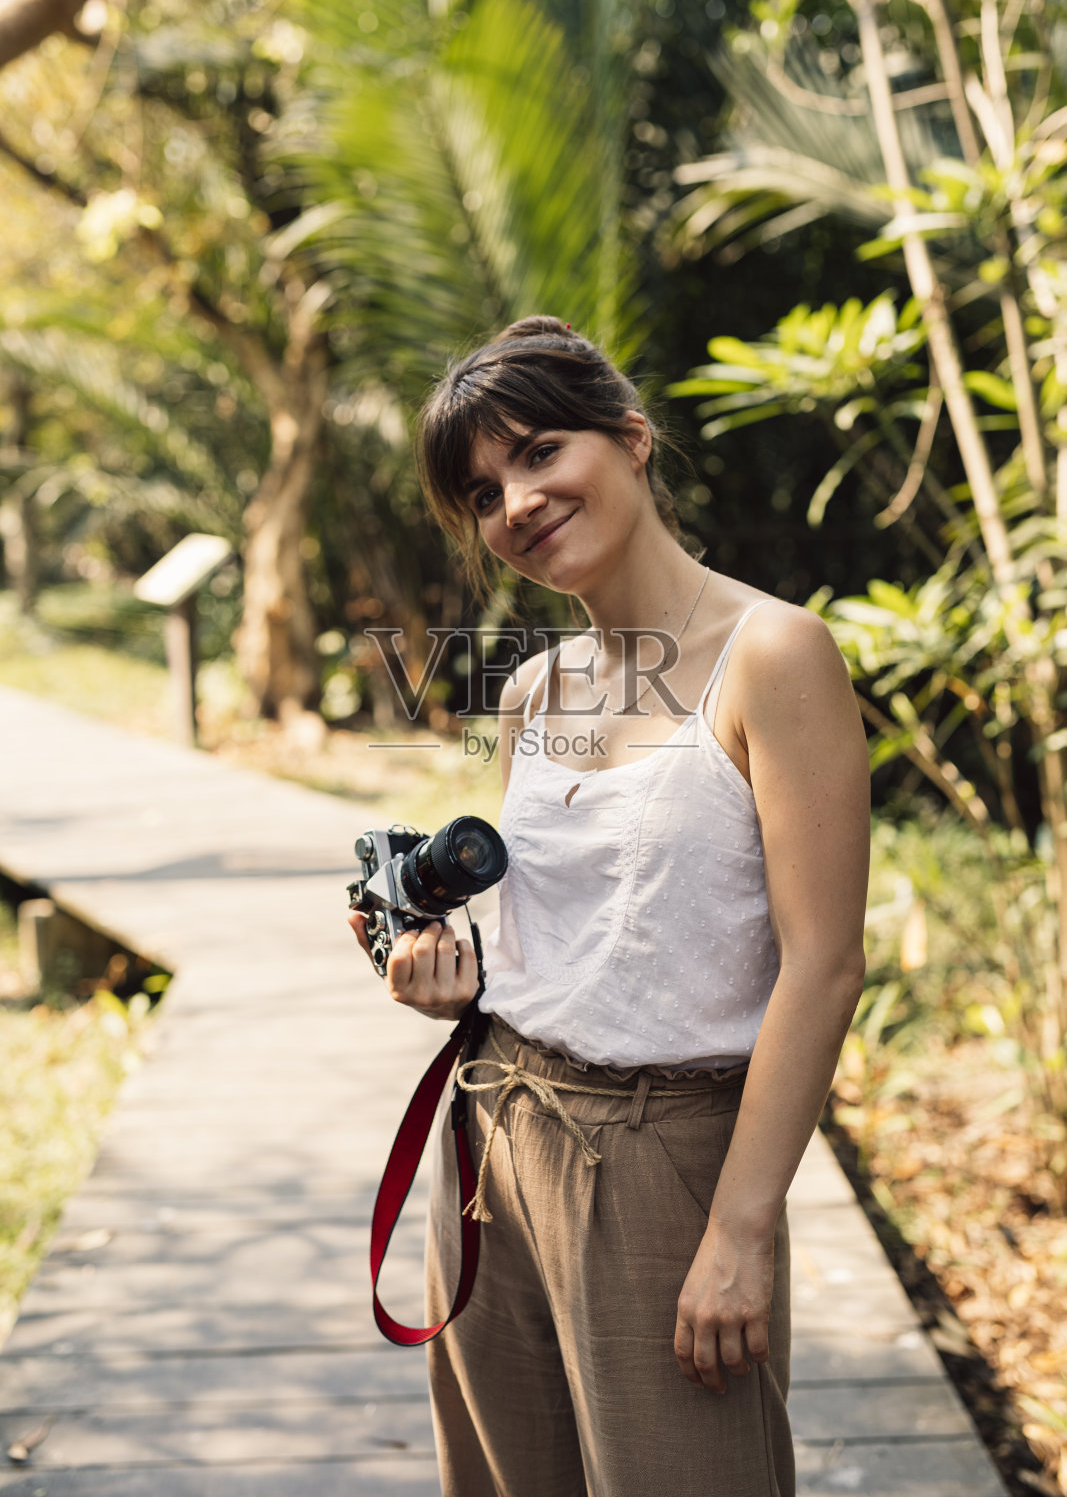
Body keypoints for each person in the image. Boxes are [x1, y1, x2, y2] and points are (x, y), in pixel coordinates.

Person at [348, 316, 869, 1497]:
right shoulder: (534, 688)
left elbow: (823, 965)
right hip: (492, 1131)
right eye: (482, 492)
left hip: (667, 1161)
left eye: (538, 453)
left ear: (631, 440)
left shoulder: (772, 655)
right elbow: (567, 942)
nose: (515, 502)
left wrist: (738, 1230)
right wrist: (441, 975)